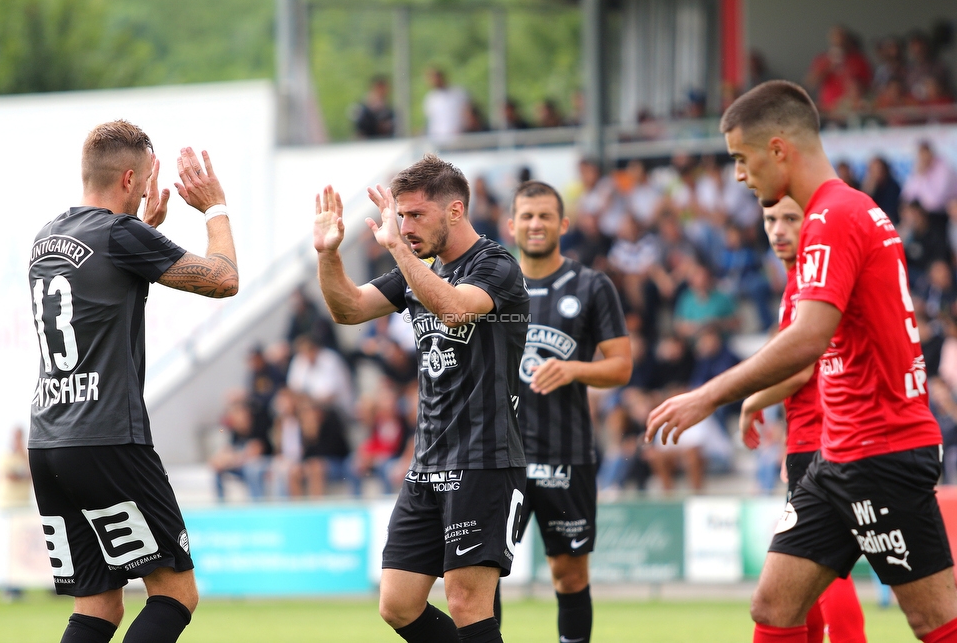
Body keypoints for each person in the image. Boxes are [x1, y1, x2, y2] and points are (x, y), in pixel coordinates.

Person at [645, 80, 957, 643]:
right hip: (839, 452)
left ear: (779, 149)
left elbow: (808, 339)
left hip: (882, 448)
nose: (739, 175)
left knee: (933, 620)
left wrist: (709, 394)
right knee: (774, 605)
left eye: (742, 159)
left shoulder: (834, 218)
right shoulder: (842, 213)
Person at [28, 120, 238, 643]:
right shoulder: (121, 235)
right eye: (144, 180)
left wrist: (146, 228)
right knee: (175, 593)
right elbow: (224, 279)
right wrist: (215, 207)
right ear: (127, 178)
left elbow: (105, 277)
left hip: (49, 442)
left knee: (99, 604)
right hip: (107, 439)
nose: (148, 188)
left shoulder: (47, 236)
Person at [313, 154, 529, 643]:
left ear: (455, 211)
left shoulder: (496, 265)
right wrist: (328, 254)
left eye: (415, 215)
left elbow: (453, 308)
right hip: (428, 459)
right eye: (400, 215)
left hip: (484, 458)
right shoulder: (420, 270)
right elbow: (349, 309)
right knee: (398, 605)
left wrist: (398, 251)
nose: (404, 226)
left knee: (466, 603)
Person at [503, 181, 631, 642]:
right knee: (479, 574)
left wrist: (574, 368)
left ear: (563, 224)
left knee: (570, 575)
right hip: (499, 457)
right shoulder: (491, 284)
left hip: (567, 453)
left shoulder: (592, 286)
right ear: (510, 224)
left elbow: (621, 367)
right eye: (527, 216)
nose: (535, 224)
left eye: (544, 216)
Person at [739, 195, 867, 643]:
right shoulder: (796, 281)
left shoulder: (812, 280)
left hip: (826, 445)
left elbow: (804, 367)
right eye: (770, 219)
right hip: (809, 443)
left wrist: (750, 400)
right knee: (800, 589)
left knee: (823, 576)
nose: (778, 229)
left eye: (790, 219)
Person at [423, 68, 469, 140]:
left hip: (458, 138)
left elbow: (467, 114)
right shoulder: (430, 98)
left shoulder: (458, 93)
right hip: (438, 139)